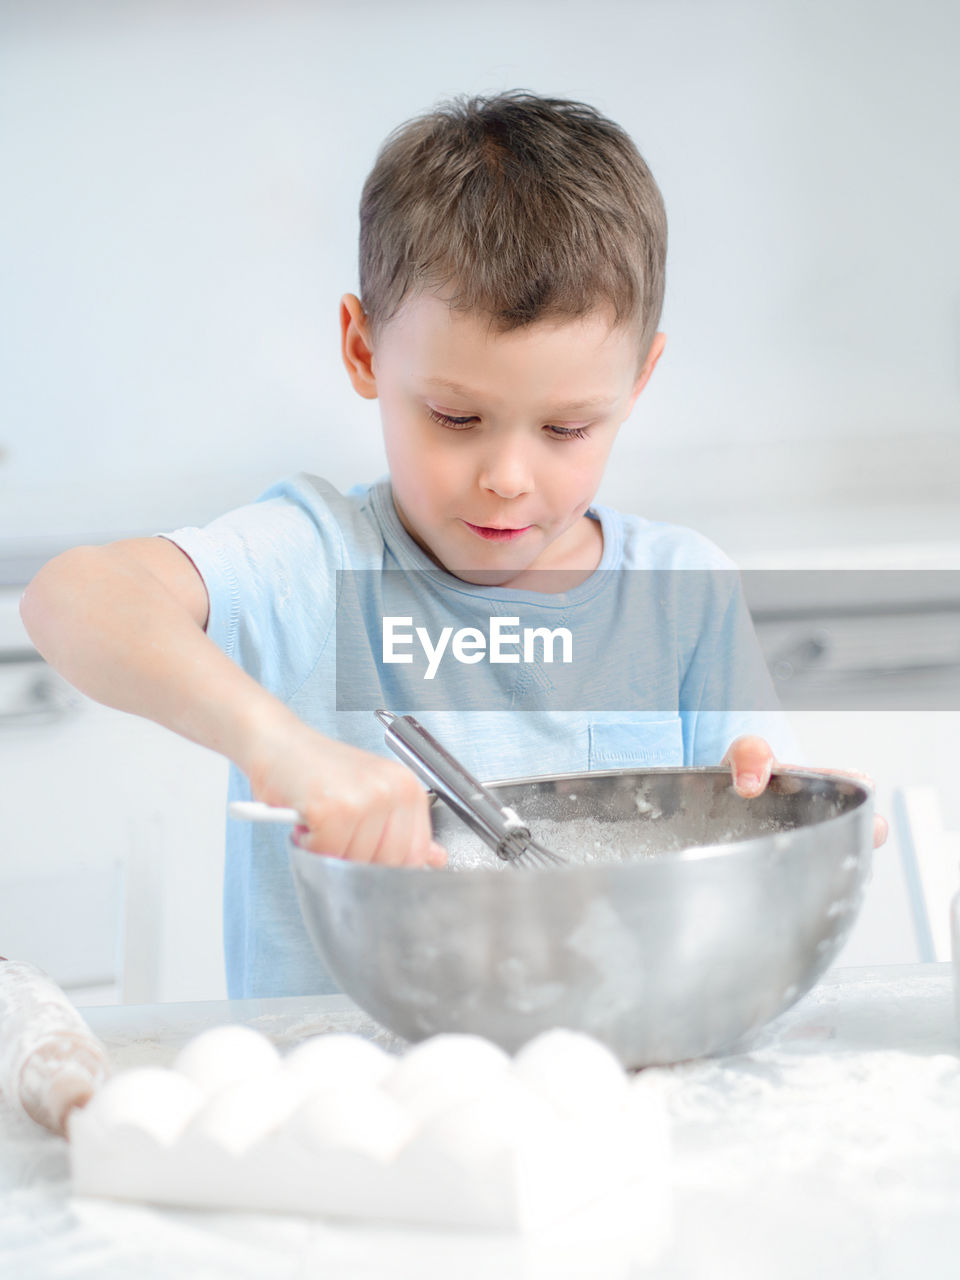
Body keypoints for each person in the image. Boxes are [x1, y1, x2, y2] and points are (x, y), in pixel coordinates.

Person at [20, 93, 885, 998]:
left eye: (565, 428)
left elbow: (752, 835)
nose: (508, 476)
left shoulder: (681, 593)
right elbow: (71, 597)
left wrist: (805, 826)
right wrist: (282, 748)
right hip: (347, 1109)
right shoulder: (316, 564)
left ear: (639, 380)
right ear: (363, 350)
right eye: (456, 417)